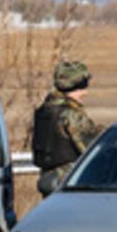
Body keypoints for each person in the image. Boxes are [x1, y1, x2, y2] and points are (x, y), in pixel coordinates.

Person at [32, 60, 99, 197]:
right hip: (70, 184)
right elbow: (93, 151)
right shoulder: (71, 115)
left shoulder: (45, 110)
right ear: (73, 87)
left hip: (48, 182)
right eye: (82, 87)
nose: (85, 92)